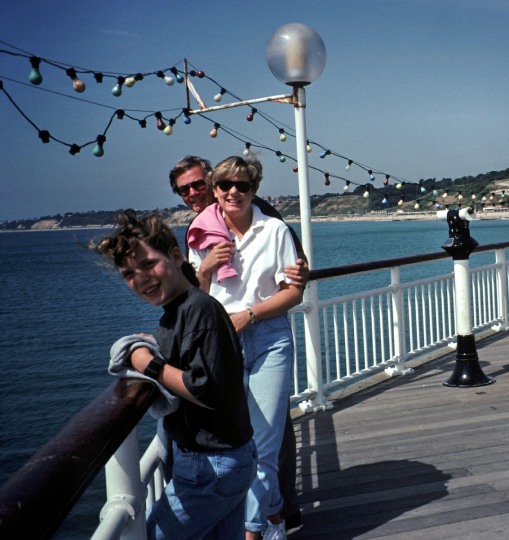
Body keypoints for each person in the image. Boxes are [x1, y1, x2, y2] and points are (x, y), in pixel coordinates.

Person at [94, 210, 257, 540]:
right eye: (128, 274)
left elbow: (205, 390)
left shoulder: (198, 309)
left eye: (148, 264)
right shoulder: (180, 311)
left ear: (176, 256)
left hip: (213, 465)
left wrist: (146, 363)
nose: (141, 278)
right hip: (227, 458)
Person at [169, 155, 304, 532]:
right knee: (238, 444)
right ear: (216, 190)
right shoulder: (199, 232)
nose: (233, 192)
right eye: (225, 185)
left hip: (268, 338)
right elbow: (195, 299)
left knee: (264, 446)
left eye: (242, 185)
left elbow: (294, 290)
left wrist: (250, 315)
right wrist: (205, 268)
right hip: (222, 345)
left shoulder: (274, 229)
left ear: (253, 190)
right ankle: (274, 514)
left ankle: (252, 531)